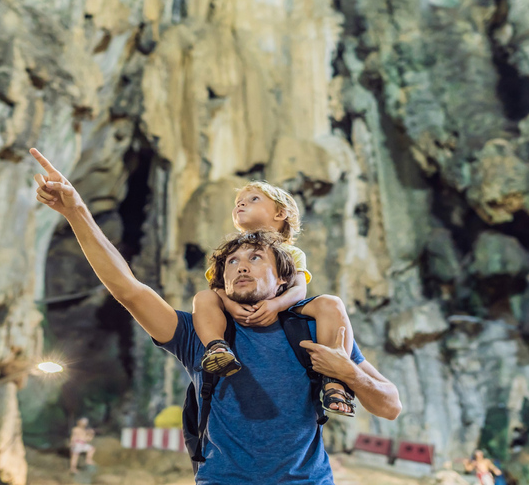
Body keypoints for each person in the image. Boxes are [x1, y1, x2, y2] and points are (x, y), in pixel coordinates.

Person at [30, 148, 402, 484]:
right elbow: (128, 289)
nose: (241, 266)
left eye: (256, 258)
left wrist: (347, 373)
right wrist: (76, 211)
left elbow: (390, 405)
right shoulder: (200, 334)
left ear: (284, 277)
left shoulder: (312, 332)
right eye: (232, 262)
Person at [194, 181, 356, 417]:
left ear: (280, 213)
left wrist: (275, 305)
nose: (241, 203)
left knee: (331, 303)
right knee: (203, 297)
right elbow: (217, 287)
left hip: (284, 306)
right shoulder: (230, 251)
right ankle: (217, 347)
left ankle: (334, 381)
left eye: (253, 199)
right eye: (239, 201)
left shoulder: (292, 253)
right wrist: (229, 303)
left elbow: (299, 290)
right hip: (237, 302)